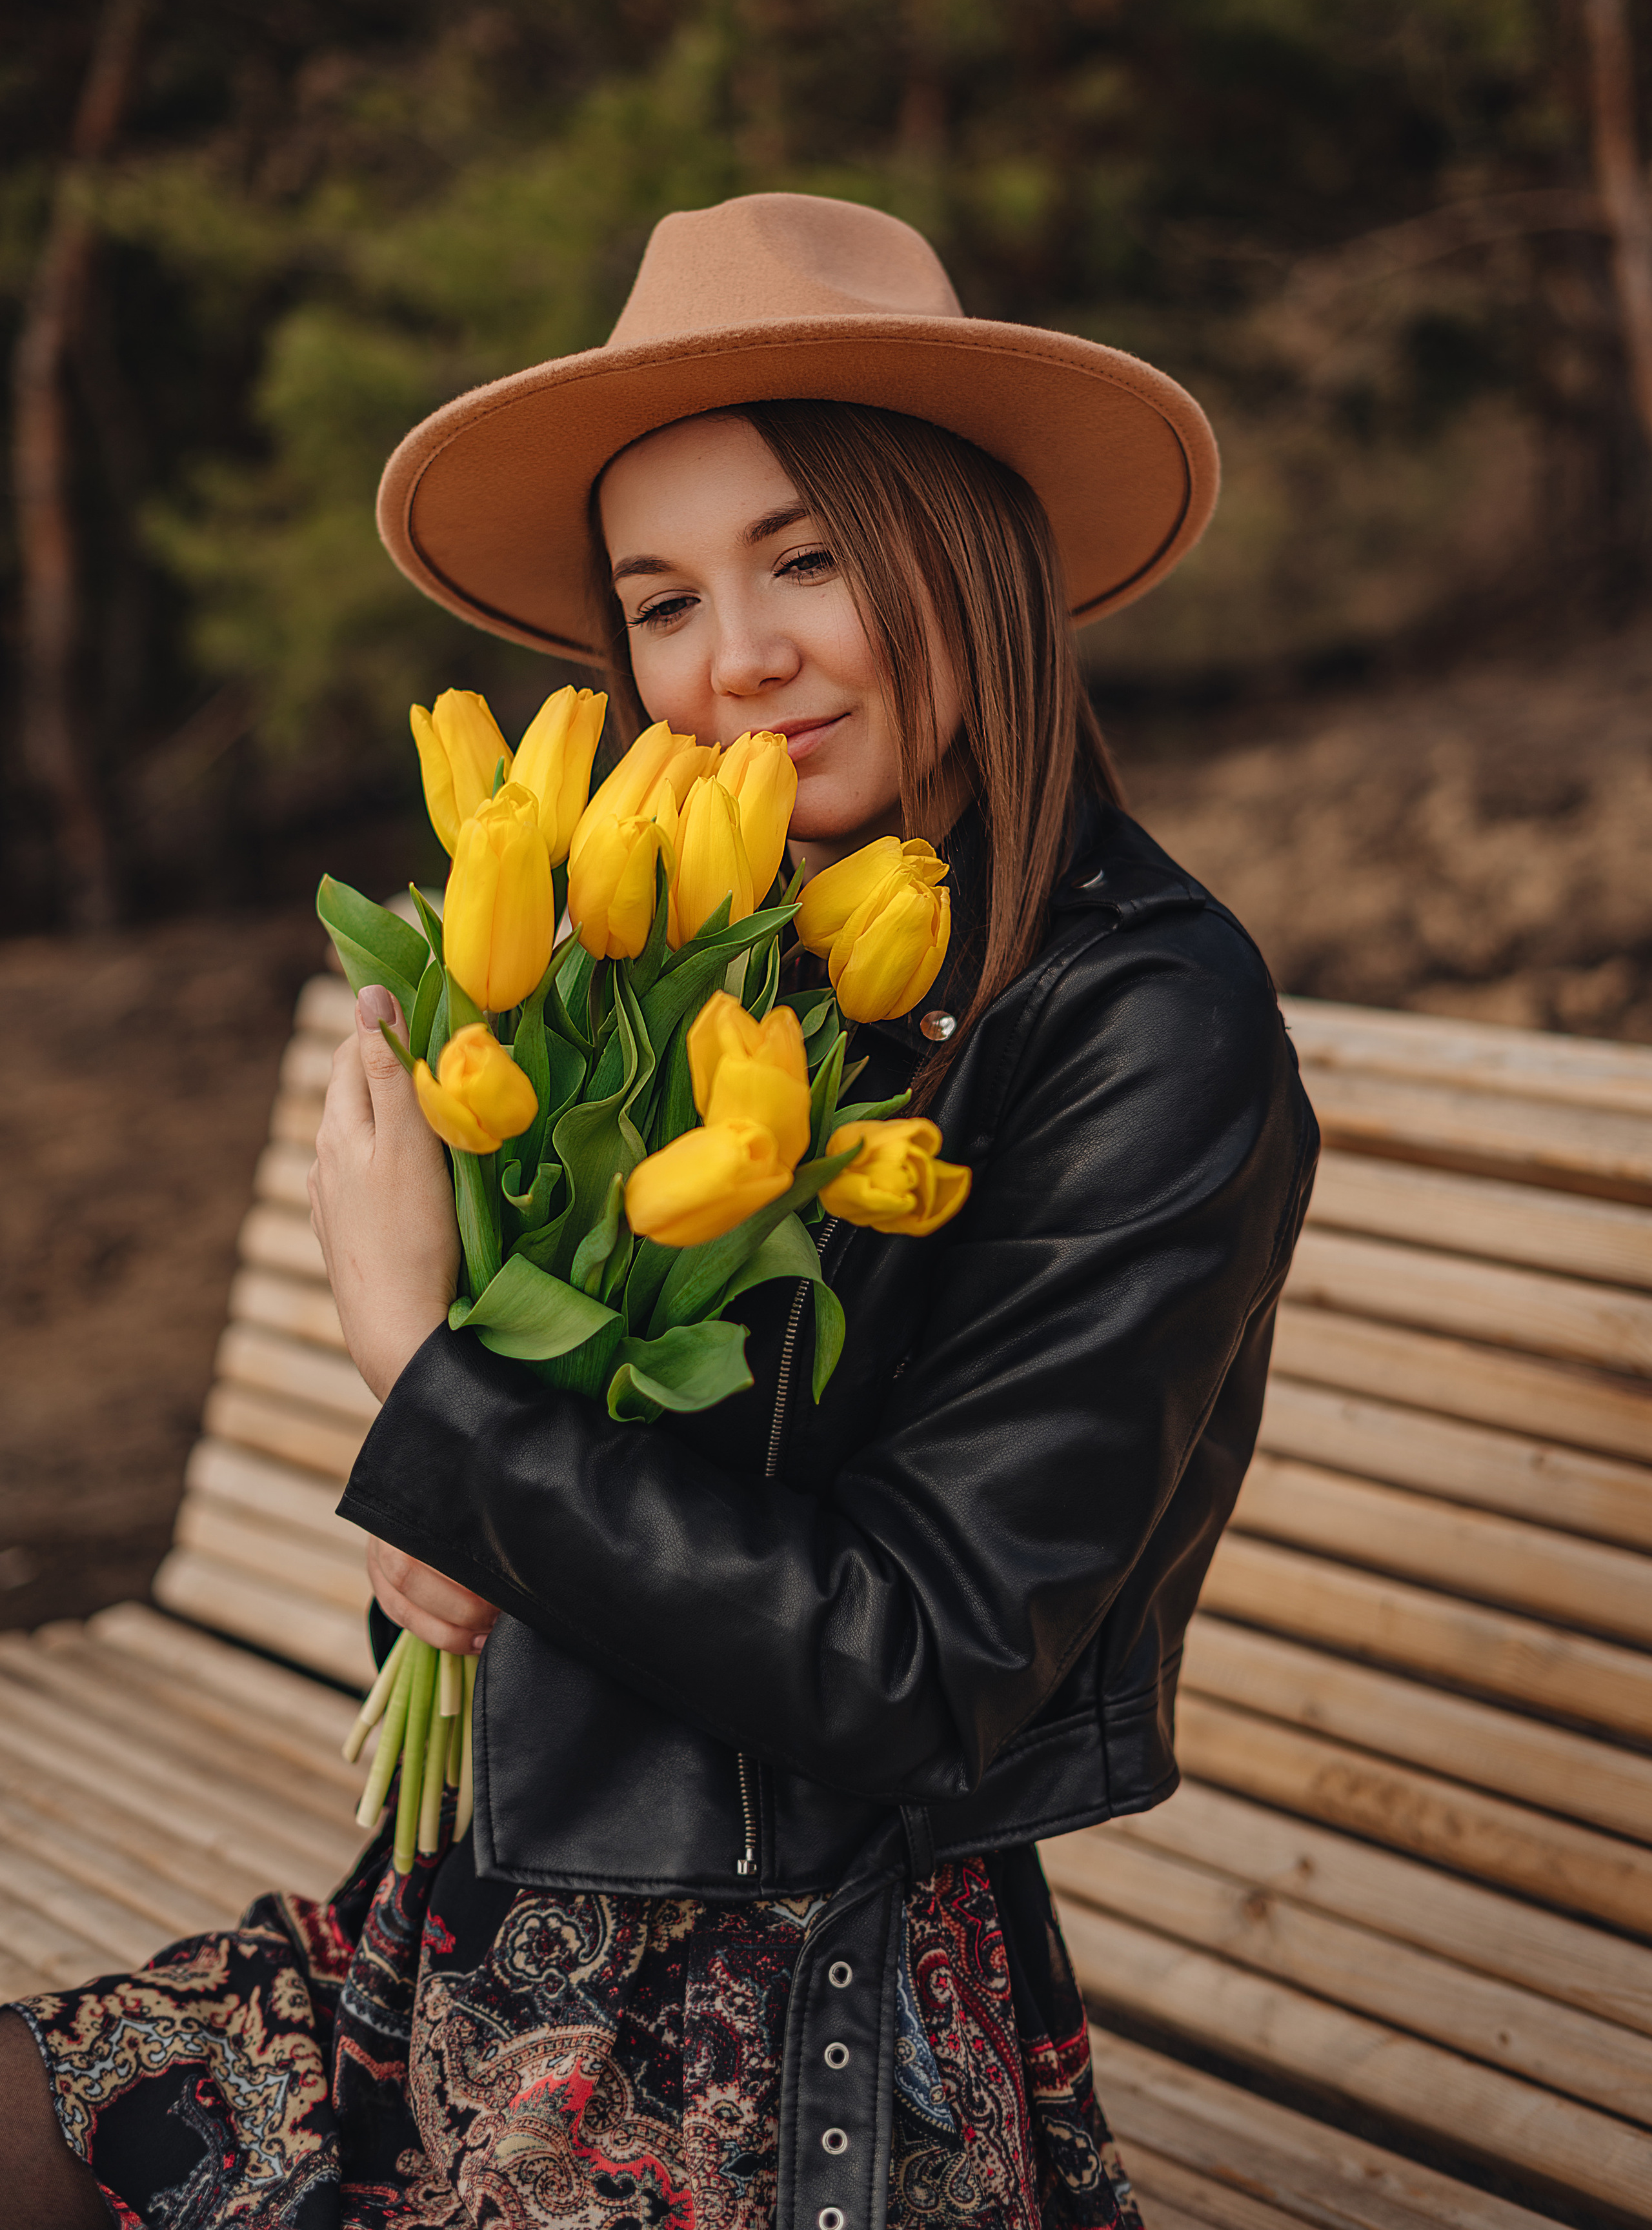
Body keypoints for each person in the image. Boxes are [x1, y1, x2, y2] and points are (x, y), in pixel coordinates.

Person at [1, 194, 1317, 2229]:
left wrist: (424, 1384)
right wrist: (437, 1513)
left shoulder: (1147, 1022)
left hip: (806, 2008)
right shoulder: (697, 945)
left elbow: (913, 1664)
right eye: (665, 601)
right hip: (469, 1906)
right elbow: (551, 1508)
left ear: (966, 546)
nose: (740, 662)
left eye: (806, 556)